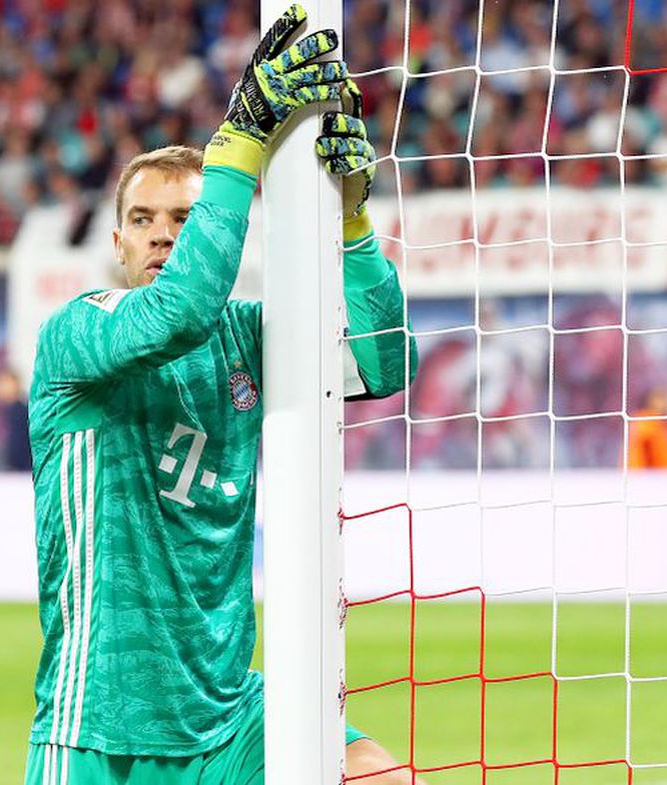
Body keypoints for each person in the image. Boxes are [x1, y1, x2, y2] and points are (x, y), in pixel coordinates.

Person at [22, 7, 421, 785]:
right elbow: (179, 312)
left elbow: (386, 364)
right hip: (100, 730)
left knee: (378, 771)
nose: (161, 233)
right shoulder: (78, 333)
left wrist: (352, 222)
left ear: (217, 225)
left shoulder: (245, 337)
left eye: (184, 216)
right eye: (142, 219)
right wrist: (239, 143)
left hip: (229, 716)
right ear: (117, 243)